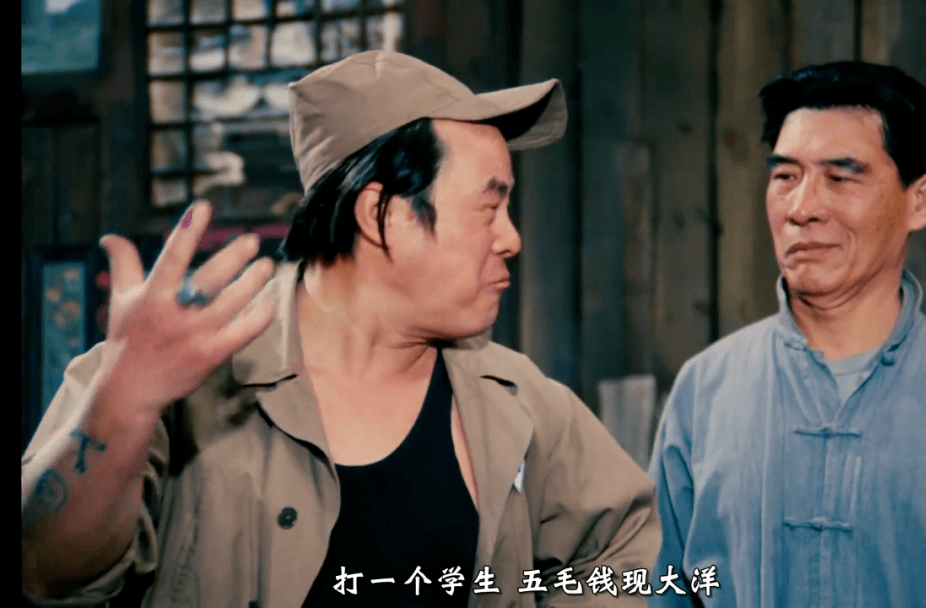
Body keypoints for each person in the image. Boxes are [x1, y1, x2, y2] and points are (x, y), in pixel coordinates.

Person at [22, 50, 660, 607]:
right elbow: (42, 573)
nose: (511, 238)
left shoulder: (517, 402)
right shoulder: (170, 378)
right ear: (383, 213)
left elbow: (625, 552)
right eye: (488, 208)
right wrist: (125, 405)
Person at [647, 61, 926, 607]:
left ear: (920, 200)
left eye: (840, 178)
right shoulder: (705, 390)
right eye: (785, 177)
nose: (802, 209)